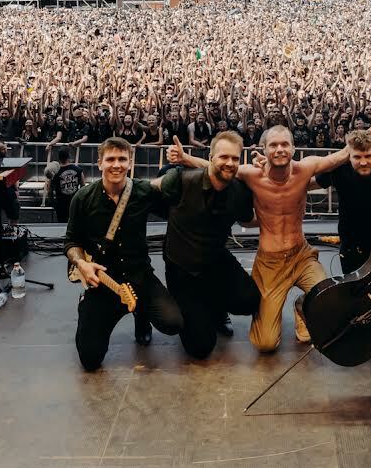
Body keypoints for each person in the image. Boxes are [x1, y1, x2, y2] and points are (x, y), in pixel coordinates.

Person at [172, 124, 351, 353]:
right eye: (274, 145)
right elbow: (216, 167)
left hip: (302, 255)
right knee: (265, 344)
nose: (279, 149)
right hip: (270, 263)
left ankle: (303, 307)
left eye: (285, 144)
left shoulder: (305, 169)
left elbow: (341, 156)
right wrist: (186, 158)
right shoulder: (251, 174)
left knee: (329, 300)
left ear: (294, 148)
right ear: (264, 149)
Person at [64, 136, 182, 370]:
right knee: (90, 359)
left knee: (173, 323)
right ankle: (88, 305)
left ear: (130, 162)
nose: (116, 164)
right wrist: (81, 264)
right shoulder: (83, 198)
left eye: (122, 159)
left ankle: (141, 316)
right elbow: (71, 241)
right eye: (110, 159)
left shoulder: (143, 191)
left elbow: (176, 191)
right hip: (103, 284)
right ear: (99, 164)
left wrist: (184, 162)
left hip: (140, 276)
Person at [157, 131, 260, 359]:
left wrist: (283, 212)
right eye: (224, 157)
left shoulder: (239, 192)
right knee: (201, 348)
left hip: (215, 260)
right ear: (211, 157)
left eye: (235, 158)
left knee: (249, 300)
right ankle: (188, 307)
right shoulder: (181, 180)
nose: (230, 163)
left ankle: (214, 307)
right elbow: (146, 195)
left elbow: (247, 219)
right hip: (182, 268)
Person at [315, 127, 371, 273]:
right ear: (348, 157)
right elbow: (311, 180)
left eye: (368, 156)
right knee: (353, 292)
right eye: (357, 157)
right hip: (349, 248)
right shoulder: (339, 172)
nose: (363, 162)